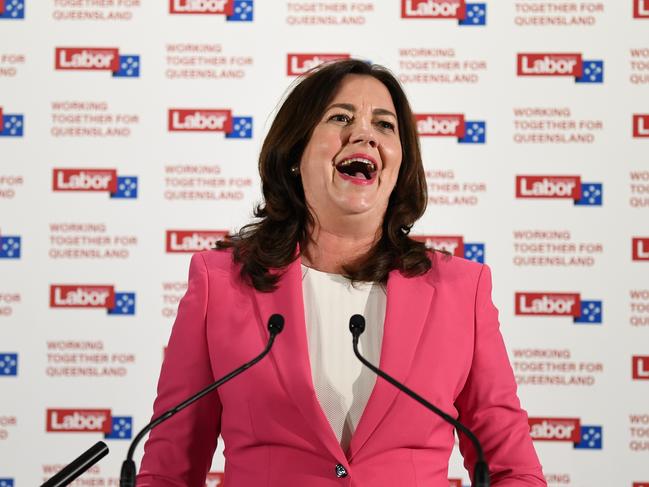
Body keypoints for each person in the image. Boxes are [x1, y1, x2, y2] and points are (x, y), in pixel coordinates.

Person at [137, 59, 546, 486]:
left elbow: (515, 470)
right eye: (340, 118)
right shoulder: (219, 283)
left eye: (385, 125)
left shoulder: (462, 290)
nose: (364, 134)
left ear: (400, 164)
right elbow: (169, 472)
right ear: (295, 153)